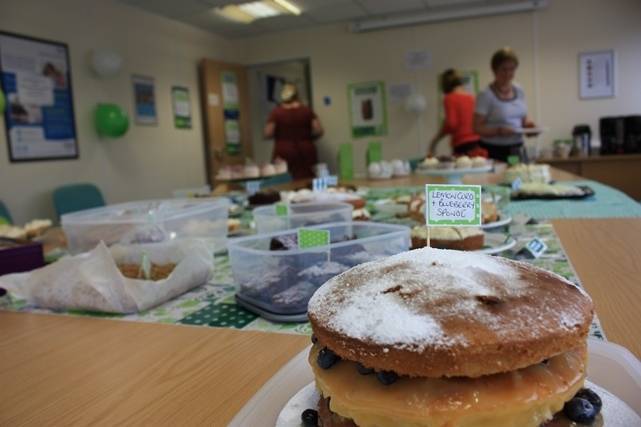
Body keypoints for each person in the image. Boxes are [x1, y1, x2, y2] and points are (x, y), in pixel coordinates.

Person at [474, 47, 538, 162]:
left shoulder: (519, 90)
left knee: (516, 178)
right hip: (493, 150)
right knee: (497, 179)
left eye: (512, 69)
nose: (508, 73)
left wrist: (529, 127)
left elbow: (523, 118)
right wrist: (498, 130)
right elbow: (477, 127)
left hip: (516, 148)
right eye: (504, 69)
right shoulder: (485, 95)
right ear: (495, 70)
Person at [264, 83, 323, 179]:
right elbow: (319, 130)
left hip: (284, 149)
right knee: (307, 178)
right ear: (296, 95)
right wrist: (308, 137)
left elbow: (268, 132)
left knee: (283, 178)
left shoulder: (277, 112)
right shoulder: (306, 111)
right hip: (305, 149)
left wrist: (280, 135)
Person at [428, 69, 486, 158]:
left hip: (462, 143)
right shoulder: (470, 97)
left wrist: (436, 139)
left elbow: (452, 124)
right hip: (477, 141)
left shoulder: (449, 98)